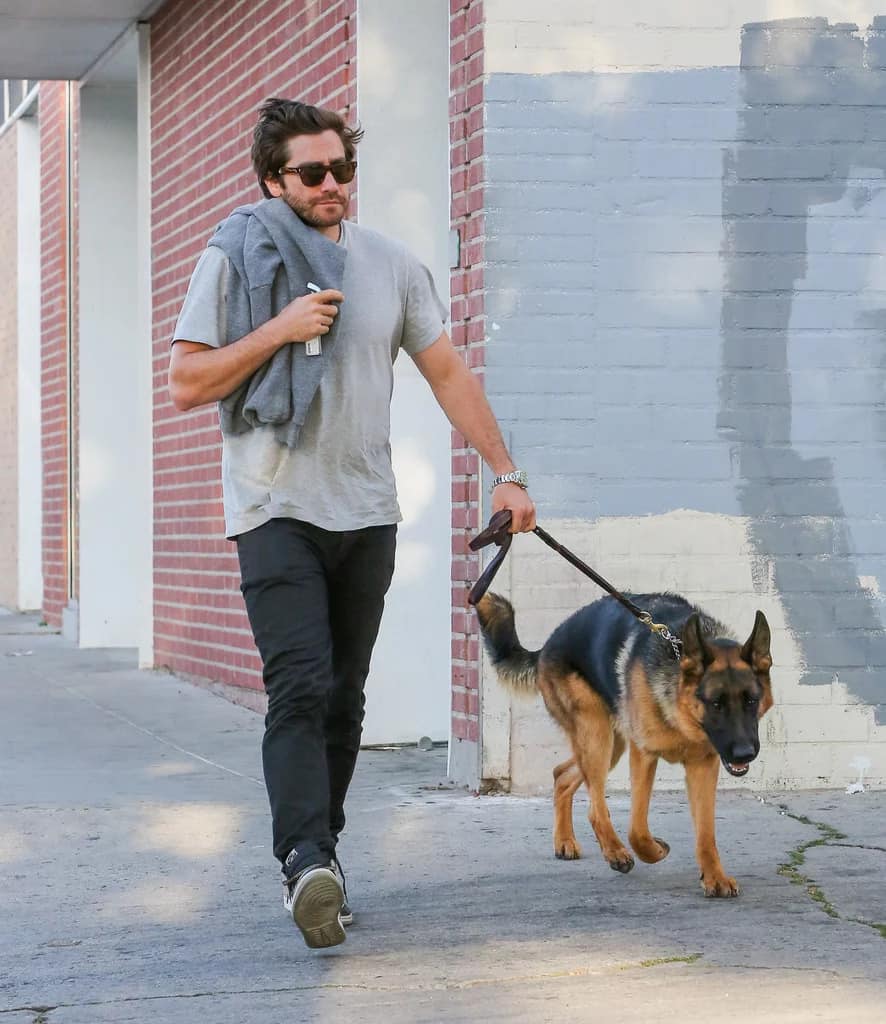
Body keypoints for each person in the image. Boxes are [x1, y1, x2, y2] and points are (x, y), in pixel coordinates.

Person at [168, 98, 536, 950]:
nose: (332, 185)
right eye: (312, 173)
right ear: (273, 179)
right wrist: (279, 330)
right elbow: (187, 383)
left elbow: (447, 372)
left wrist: (507, 475)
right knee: (298, 684)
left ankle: (321, 859)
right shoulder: (235, 256)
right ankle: (304, 860)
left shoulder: (392, 265)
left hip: (366, 512)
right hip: (274, 507)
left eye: (343, 169)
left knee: (343, 700)